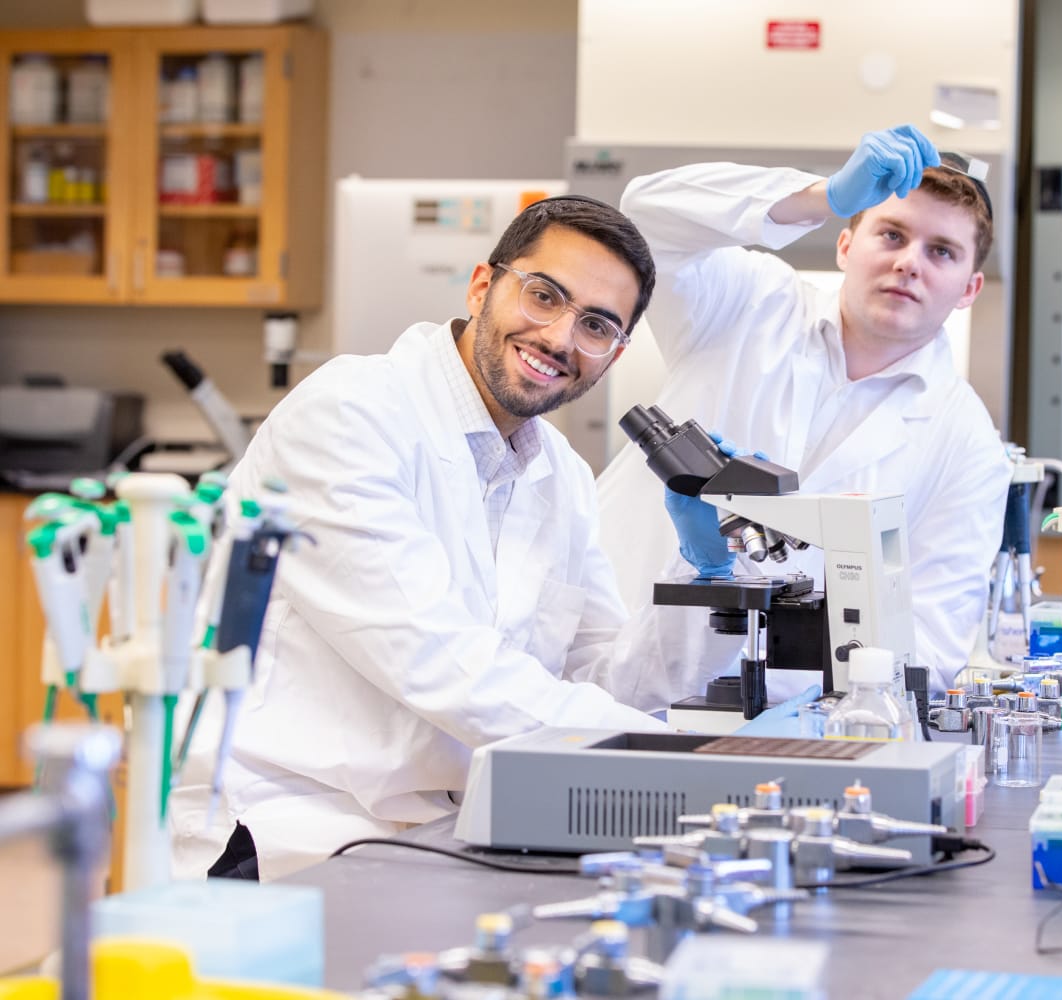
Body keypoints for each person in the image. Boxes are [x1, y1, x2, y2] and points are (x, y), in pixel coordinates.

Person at [170, 195, 809, 882]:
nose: (561, 339)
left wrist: (708, 579)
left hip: (456, 832)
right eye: (544, 296)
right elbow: (440, 661)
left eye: (596, 325)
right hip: (294, 833)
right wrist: (694, 763)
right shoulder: (348, 415)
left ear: (616, 353)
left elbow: (600, 677)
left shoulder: (559, 471)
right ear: (482, 285)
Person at [596, 125, 1011, 695]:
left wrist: (791, 703)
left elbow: (932, 644)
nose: (910, 263)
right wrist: (826, 196)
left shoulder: (967, 445)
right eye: (891, 234)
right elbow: (643, 217)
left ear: (970, 287)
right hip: (599, 653)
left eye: (942, 251)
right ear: (845, 245)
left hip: (786, 725)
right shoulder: (750, 302)